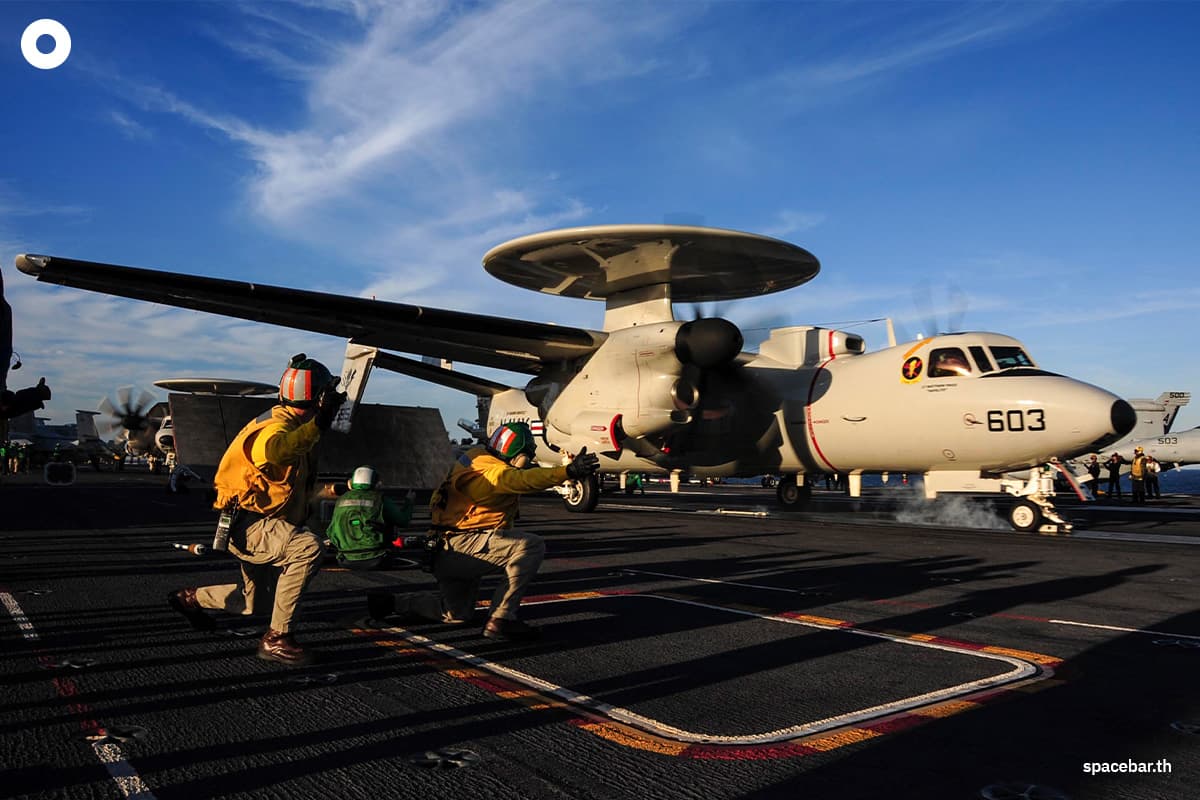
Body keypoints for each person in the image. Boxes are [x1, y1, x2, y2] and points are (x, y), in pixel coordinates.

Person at [167, 354, 346, 666]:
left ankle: (190, 599)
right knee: (307, 549)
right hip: (251, 525)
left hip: (260, 523)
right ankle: (276, 640)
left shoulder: (289, 424)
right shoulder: (276, 428)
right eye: (326, 395)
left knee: (255, 604)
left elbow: (289, 485)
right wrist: (321, 422)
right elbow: (278, 451)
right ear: (318, 398)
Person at [367, 422, 600, 640]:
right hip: (462, 545)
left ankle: (391, 604)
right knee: (530, 546)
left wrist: (563, 470)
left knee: (456, 613)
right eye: (526, 456)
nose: (527, 461)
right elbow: (520, 479)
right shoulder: (494, 473)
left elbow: (519, 475)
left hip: (444, 548)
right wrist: (567, 472)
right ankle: (501, 619)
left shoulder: (474, 458)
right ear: (518, 455)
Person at [326, 465, 415, 570]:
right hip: (377, 559)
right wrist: (409, 502)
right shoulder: (380, 500)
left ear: (351, 483)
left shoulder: (340, 500)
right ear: (376, 484)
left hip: (345, 560)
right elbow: (403, 521)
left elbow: (331, 531)